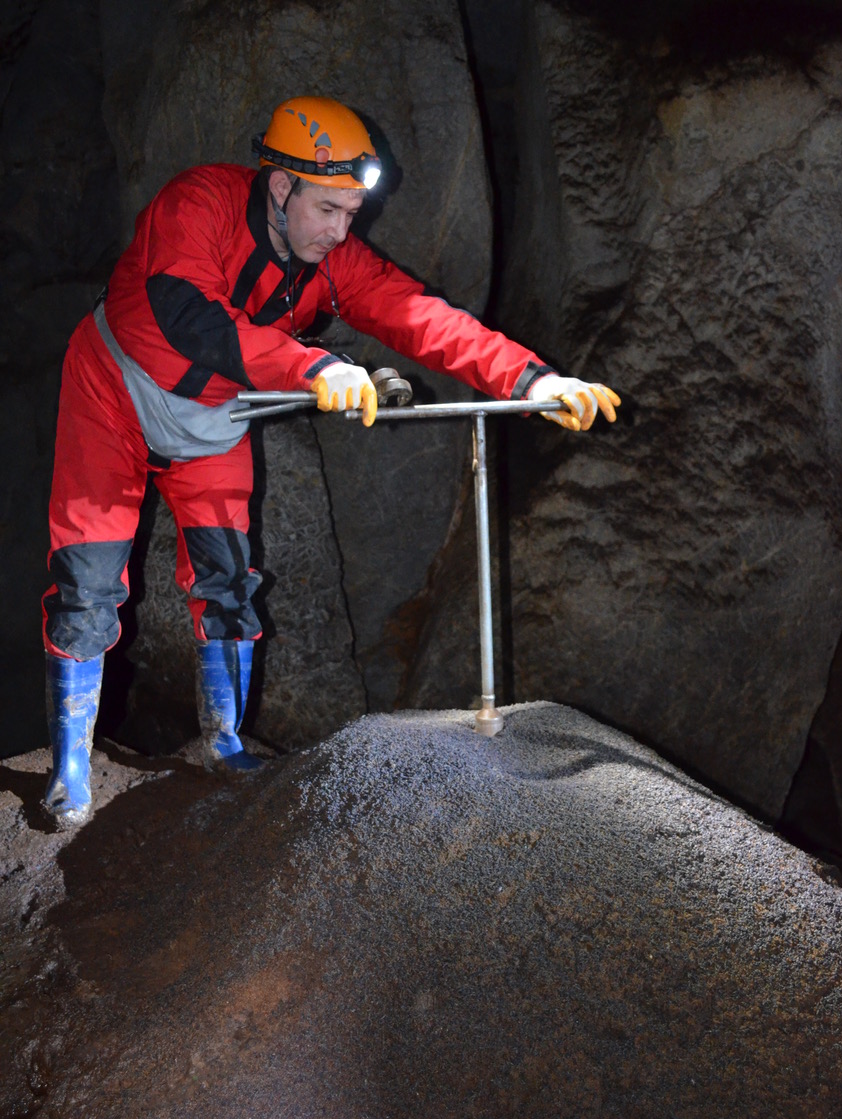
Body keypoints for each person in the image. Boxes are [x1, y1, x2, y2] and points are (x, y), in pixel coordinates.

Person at [41, 94, 620, 828]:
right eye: (328, 210)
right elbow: (186, 314)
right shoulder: (200, 204)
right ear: (280, 186)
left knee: (228, 578)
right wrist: (312, 366)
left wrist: (535, 380)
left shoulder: (333, 256)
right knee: (89, 580)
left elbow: (421, 317)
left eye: (352, 214)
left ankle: (222, 742)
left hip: (215, 414)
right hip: (116, 386)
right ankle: (69, 770)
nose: (341, 232)